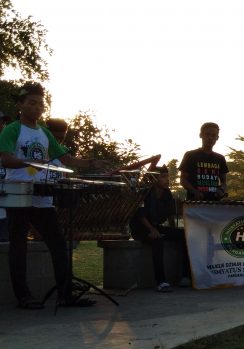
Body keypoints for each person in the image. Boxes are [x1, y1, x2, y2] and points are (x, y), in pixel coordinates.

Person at [0, 82, 107, 309]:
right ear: (20, 105)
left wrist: (91, 163)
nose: (37, 108)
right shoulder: (12, 129)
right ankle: (23, 296)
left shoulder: (44, 132)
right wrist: (32, 162)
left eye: (40, 104)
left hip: (42, 196)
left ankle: (65, 294)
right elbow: (6, 159)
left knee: (58, 244)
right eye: (32, 103)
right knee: (19, 246)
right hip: (19, 194)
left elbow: (65, 159)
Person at [129, 165, 191, 292]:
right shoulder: (145, 192)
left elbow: (170, 214)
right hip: (141, 228)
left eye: (167, 176)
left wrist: (173, 230)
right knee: (157, 241)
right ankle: (161, 281)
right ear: (154, 179)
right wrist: (152, 230)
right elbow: (141, 215)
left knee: (183, 235)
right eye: (163, 176)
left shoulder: (167, 193)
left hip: (156, 227)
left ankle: (185, 276)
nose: (167, 179)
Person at [179, 122, 228, 201]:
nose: (210, 138)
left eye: (213, 135)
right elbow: (183, 180)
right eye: (207, 134)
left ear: (217, 138)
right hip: (194, 204)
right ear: (201, 135)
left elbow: (224, 182)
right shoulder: (190, 155)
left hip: (214, 204)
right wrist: (194, 192)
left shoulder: (220, 158)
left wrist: (221, 190)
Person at [0, 110, 12, 242]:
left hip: (7, 208)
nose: (2, 125)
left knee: (5, 245)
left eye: (3, 122)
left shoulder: (11, 145)